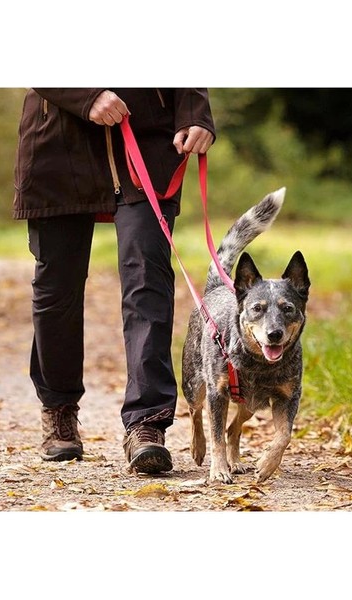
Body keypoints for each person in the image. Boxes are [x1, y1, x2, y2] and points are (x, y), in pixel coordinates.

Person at [13, 88, 215, 474]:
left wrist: (194, 112)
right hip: (58, 143)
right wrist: (86, 96)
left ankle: (147, 422)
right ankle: (59, 409)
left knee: (148, 279)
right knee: (57, 287)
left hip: (146, 139)